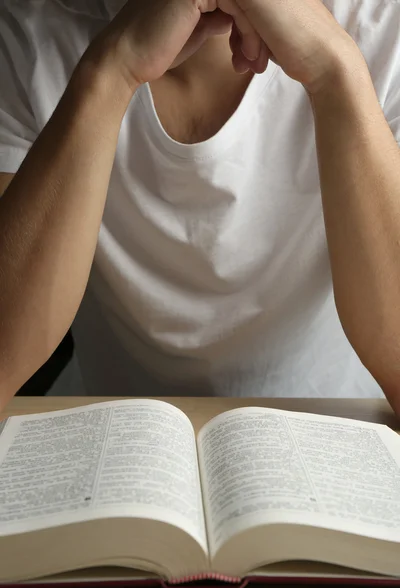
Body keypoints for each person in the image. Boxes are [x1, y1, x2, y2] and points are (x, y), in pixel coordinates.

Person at [1, 0, 400, 411]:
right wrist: (112, 71)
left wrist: (334, 69)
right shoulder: (28, 31)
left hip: (340, 433)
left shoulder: (382, 27)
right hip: (113, 437)